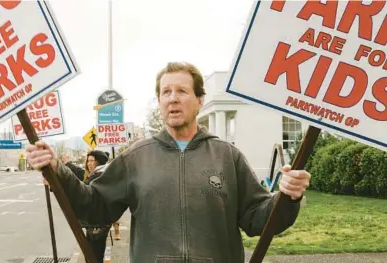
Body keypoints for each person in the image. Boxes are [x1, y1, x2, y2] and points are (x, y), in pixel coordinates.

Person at [27, 62, 311, 263]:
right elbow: (95, 206)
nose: (173, 99)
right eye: (166, 92)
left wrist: (287, 196)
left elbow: (258, 218)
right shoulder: (135, 157)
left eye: (182, 91)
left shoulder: (227, 156)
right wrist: (58, 171)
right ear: (159, 101)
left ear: (200, 100)